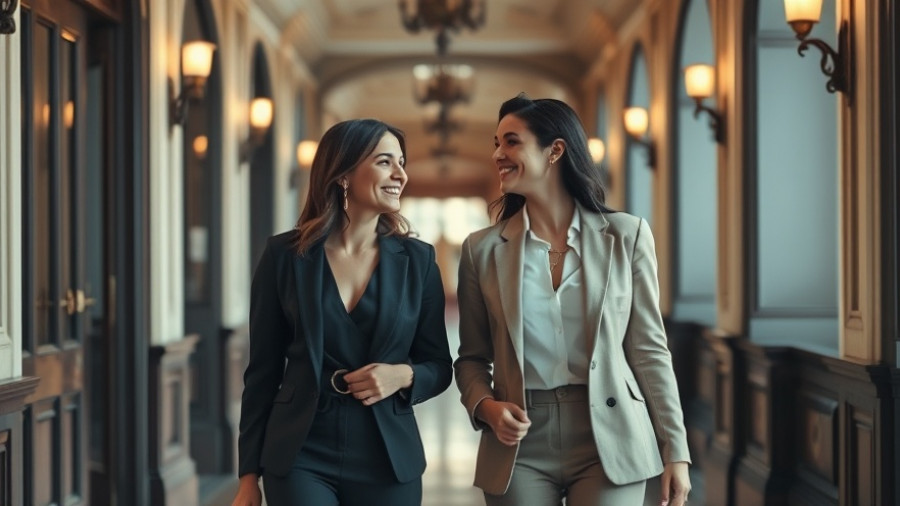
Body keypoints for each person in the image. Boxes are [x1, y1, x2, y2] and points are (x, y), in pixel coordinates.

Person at [454, 94, 691, 506]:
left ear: (555, 151)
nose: (498, 154)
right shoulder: (482, 250)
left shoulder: (627, 236)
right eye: (496, 143)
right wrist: (486, 407)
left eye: (511, 142)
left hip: (612, 434)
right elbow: (472, 358)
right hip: (519, 442)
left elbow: (650, 350)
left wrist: (677, 450)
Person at [232, 118, 453, 506]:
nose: (401, 174)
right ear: (344, 174)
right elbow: (262, 372)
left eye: (402, 163)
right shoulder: (284, 257)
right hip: (301, 451)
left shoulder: (418, 261)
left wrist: (402, 375)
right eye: (386, 162)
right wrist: (248, 475)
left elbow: (438, 365)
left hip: (387, 456)